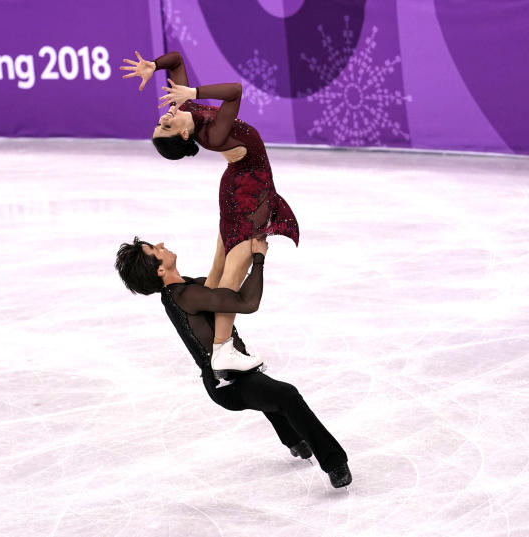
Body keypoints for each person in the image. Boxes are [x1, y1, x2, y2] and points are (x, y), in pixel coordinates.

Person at [114, 236, 351, 488]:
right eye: (155, 249)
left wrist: (225, 231)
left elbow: (219, 271)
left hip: (233, 376)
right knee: (286, 395)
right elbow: (246, 303)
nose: (161, 244)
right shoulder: (185, 295)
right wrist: (258, 259)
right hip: (227, 383)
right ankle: (335, 463)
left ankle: (295, 442)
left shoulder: (186, 288)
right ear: (160, 269)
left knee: (268, 393)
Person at [120, 50, 300, 381]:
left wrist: (153, 66)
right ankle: (223, 351)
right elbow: (235, 91)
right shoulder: (213, 135)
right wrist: (195, 93)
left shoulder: (183, 109)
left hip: (236, 188)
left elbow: (175, 60)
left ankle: (215, 338)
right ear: (184, 136)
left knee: (217, 271)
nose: (164, 118)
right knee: (230, 276)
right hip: (250, 194)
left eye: (161, 123)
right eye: (165, 126)